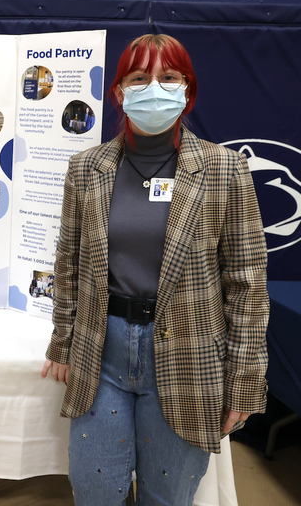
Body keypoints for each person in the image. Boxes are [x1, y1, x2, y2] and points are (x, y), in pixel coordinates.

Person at [41, 34, 268, 505]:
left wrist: (246, 382)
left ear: (188, 90)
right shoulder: (87, 168)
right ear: (119, 91)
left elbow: (247, 285)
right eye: (140, 78)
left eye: (168, 78)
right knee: (97, 494)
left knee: (167, 498)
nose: (154, 88)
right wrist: (62, 342)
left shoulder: (225, 170)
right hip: (102, 354)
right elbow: (69, 265)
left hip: (189, 356)